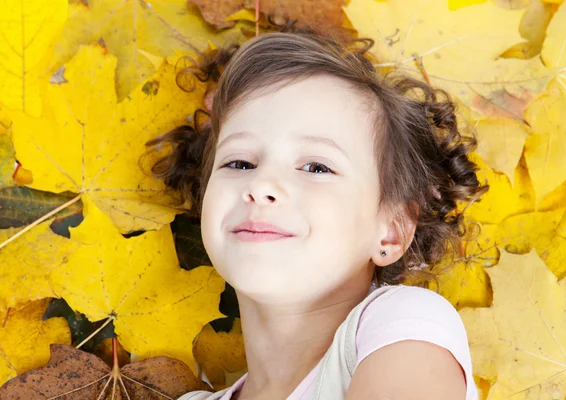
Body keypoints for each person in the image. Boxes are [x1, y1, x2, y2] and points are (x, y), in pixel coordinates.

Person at [145, 28, 488, 400]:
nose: (261, 185)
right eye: (240, 162)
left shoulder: (401, 325)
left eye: (316, 168)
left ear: (390, 231)